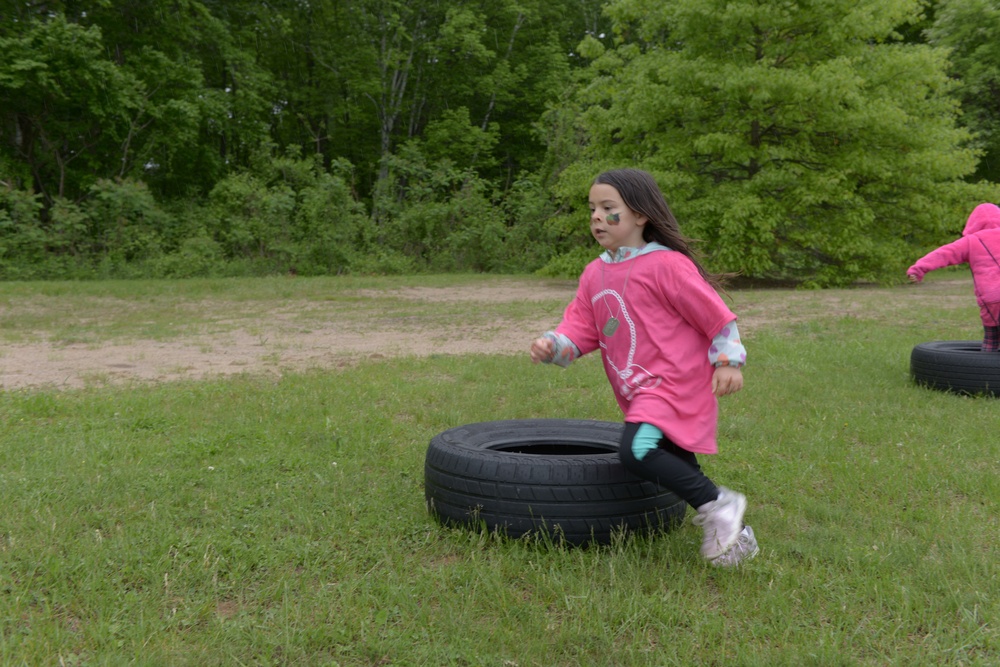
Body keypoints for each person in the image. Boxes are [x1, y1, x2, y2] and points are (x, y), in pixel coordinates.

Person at [529, 168, 757, 567]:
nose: (596, 217)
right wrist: (555, 346)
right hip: (637, 389)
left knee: (637, 451)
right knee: (674, 457)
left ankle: (719, 504)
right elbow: (581, 329)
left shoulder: (667, 266)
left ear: (640, 215)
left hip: (673, 382)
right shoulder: (594, 273)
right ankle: (738, 540)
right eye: (592, 209)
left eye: (608, 208)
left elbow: (715, 316)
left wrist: (728, 361)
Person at [907, 203, 1000, 351]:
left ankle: (983, 371)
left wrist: (918, 269)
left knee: (991, 341)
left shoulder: (971, 241)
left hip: (991, 299)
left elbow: (943, 254)